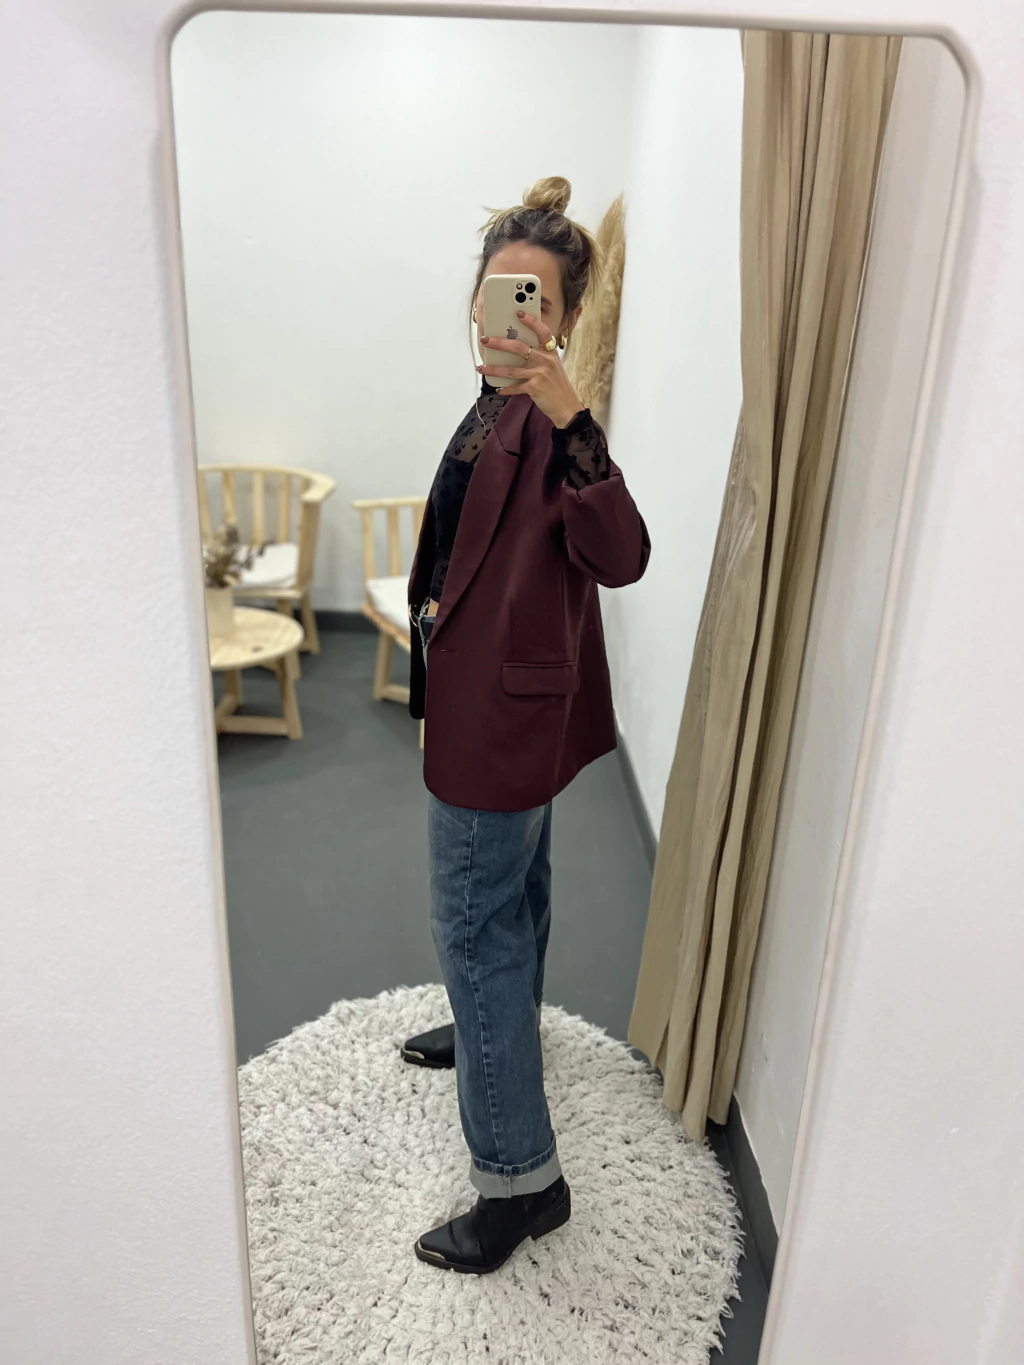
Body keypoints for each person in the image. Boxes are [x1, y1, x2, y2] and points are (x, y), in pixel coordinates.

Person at [402, 176, 651, 1275]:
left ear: (566, 316)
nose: (509, 316)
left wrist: (572, 416)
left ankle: (520, 1181)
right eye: (497, 292)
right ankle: (493, 1034)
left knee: (474, 923)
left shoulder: (553, 426)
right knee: (517, 894)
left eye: (535, 300)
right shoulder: (488, 404)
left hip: (499, 721)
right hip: (504, 702)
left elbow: (621, 556)